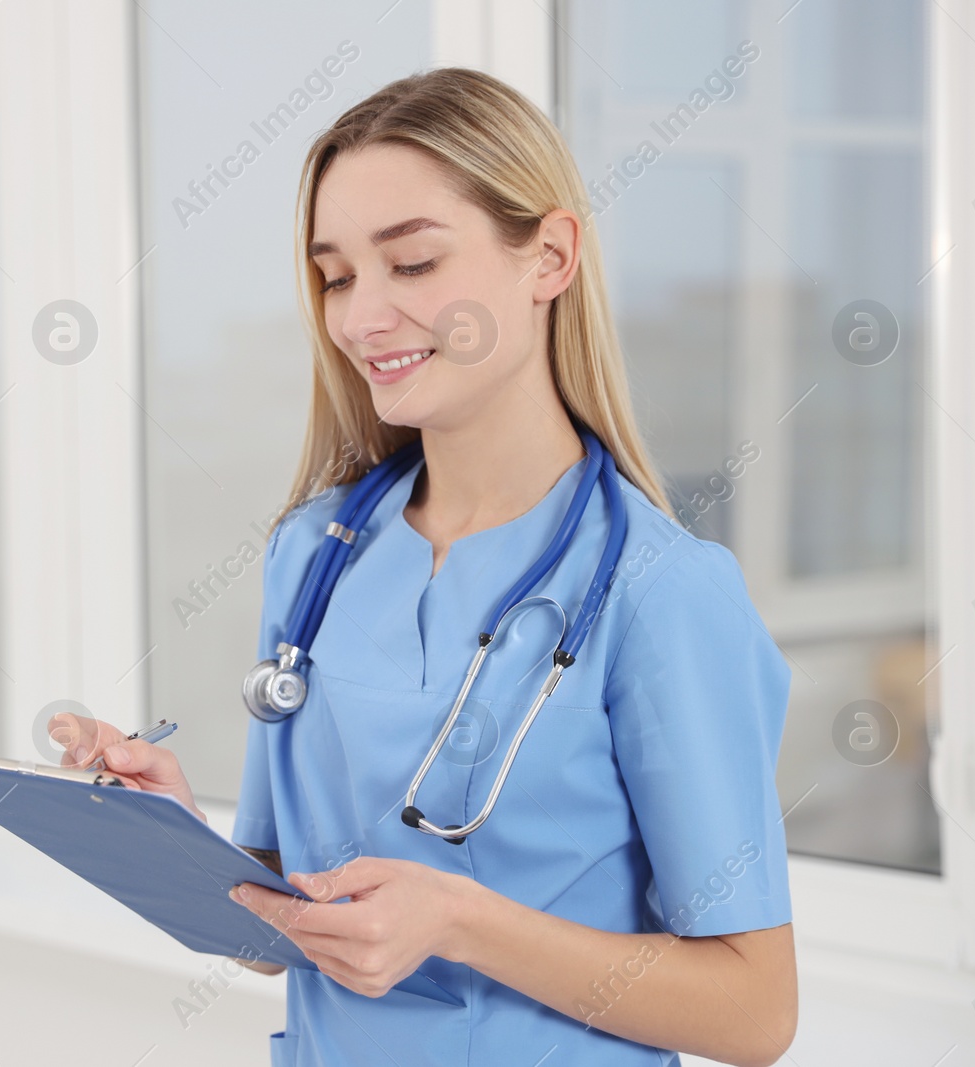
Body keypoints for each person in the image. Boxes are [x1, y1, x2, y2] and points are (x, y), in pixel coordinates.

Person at [54, 67, 797, 1067]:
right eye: (336, 275)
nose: (360, 319)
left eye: (410, 263)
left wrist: (459, 920)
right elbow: (288, 927)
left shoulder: (659, 593)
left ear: (550, 256)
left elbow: (754, 1011)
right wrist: (174, 835)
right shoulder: (313, 552)